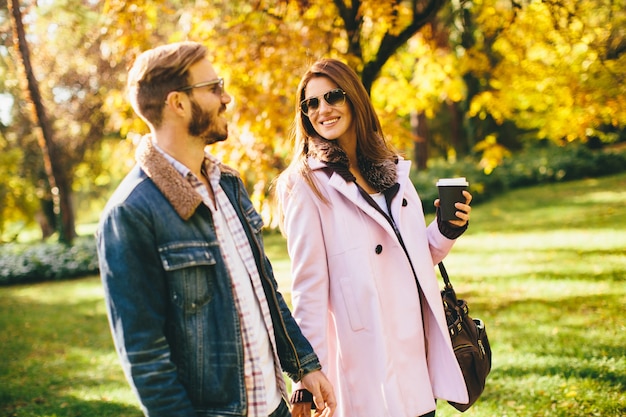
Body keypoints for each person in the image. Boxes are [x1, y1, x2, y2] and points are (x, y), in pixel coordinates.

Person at [96, 41, 336, 417]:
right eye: (212, 88)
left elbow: (265, 290)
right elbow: (146, 359)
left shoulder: (228, 184)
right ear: (177, 103)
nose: (226, 98)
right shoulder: (131, 213)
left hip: (273, 407)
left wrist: (304, 364)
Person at [274, 58, 473, 417]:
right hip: (364, 357)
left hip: (412, 348)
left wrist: (446, 229)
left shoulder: (393, 169)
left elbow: (412, 255)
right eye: (311, 103)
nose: (323, 109)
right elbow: (309, 288)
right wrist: (305, 377)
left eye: (332, 96)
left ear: (355, 100)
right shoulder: (305, 184)